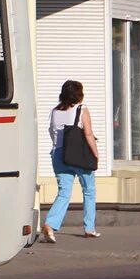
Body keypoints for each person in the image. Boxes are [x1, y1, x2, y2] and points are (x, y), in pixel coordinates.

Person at [41, 80, 99, 242]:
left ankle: (50, 225)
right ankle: (89, 228)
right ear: (79, 94)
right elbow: (88, 134)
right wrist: (95, 154)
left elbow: (52, 133)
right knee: (88, 190)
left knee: (64, 192)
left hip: (59, 155)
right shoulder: (81, 109)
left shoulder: (54, 111)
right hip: (79, 155)